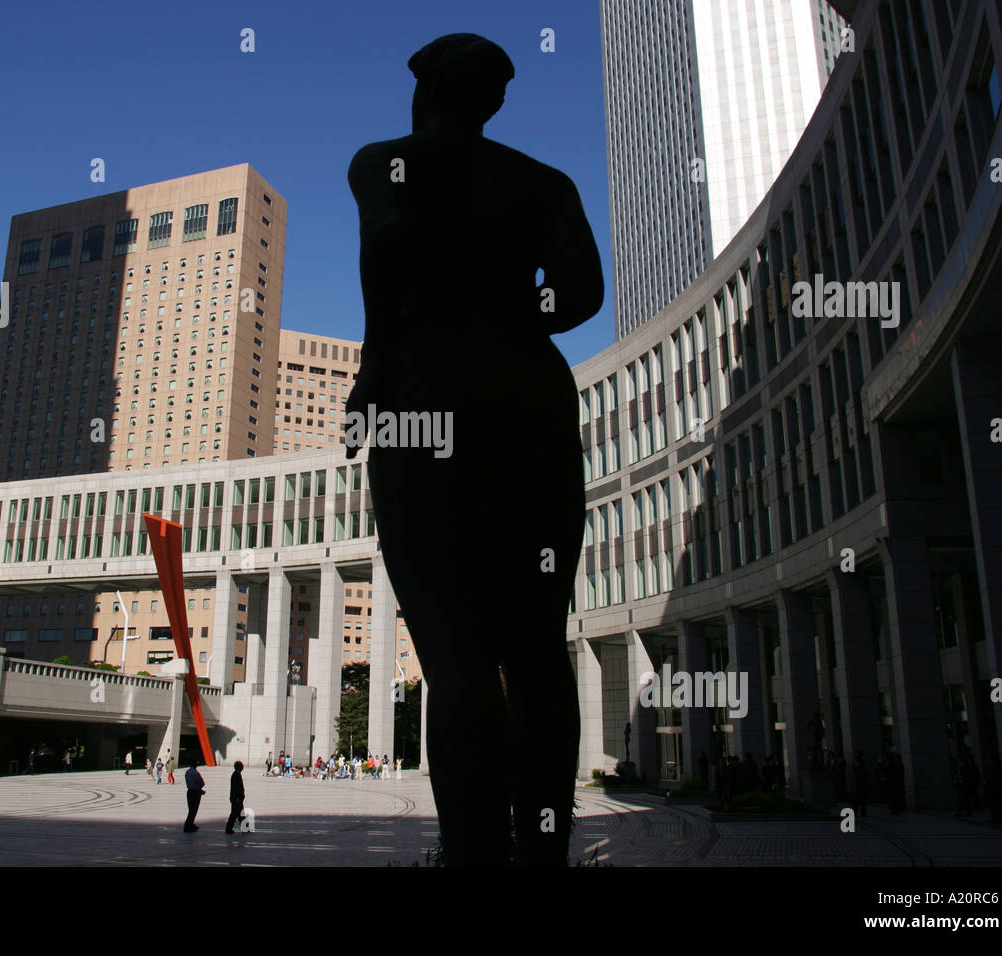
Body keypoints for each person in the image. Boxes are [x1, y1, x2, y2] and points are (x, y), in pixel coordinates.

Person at [347, 33, 601, 866]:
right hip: (529, 398)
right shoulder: (543, 182)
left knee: (453, 655)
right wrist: (508, 313)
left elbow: (385, 256)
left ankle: (473, 858)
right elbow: (582, 292)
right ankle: (543, 856)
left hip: (423, 396)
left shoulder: (380, 163)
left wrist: (376, 367)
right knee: (535, 646)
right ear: (492, 101)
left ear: (424, 89)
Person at [183, 761, 205, 832]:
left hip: (189, 792)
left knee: (191, 810)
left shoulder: (187, 772)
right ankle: (188, 826)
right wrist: (199, 788)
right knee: (194, 810)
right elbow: (201, 783)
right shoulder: (195, 772)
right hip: (195, 792)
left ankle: (190, 824)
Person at [226, 761, 246, 834]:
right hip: (237, 799)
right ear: (239, 767)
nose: (243, 767)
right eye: (242, 766)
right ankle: (228, 828)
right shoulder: (236, 775)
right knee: (235, 814)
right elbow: (236, 788)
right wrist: (237, 798)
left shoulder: (236, 774)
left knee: (239, 814)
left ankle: (244, 828)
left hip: (237, 798)